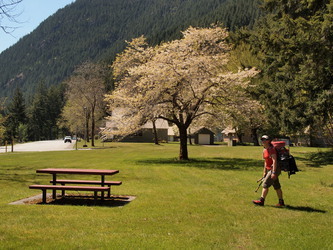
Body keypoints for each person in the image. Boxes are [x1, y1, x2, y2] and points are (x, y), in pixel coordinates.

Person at [253, 135, 285, 207]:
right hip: (269, 169)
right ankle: (281, 202)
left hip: (275, 169)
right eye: (262, 139)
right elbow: (266, 161)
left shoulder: (272, 149)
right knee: (276, 186)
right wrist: (265, 172)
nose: (263, 141)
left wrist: (273, 172)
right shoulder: (265, 150)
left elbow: (274, 161)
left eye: (265, 139)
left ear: (268, 141)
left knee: (265, 184)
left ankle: (261, 201)